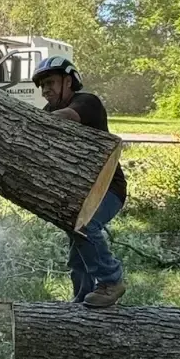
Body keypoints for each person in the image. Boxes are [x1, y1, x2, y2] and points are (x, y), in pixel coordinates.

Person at [32, 56, 127, 308]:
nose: (45, 90)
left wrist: (30, 121)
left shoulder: (86, 102)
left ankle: (111, 281)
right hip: (81, 190)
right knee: (77, 240)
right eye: (42, 86)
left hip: (108, 188)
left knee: (84, 225)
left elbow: (67, 117)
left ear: (68, 81)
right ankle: (83, 298)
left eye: (51, 83)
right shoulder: (48, 112)